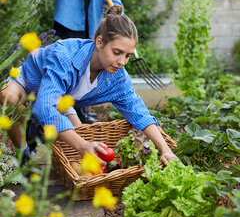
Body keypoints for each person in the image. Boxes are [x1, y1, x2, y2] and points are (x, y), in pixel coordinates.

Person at [0, 11, 177, 166]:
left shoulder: (117, 77)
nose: (122, 62)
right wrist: (81, 145)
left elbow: (138, 111)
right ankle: (23, 152)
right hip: (29, 83)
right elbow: (44, 106)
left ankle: (38, 126)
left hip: (61, 94)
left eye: (128, 55)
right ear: (99, 42)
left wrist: (165, 149)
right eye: (117, 52)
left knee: (80, 137)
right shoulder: (64, 56)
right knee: (8, 97)